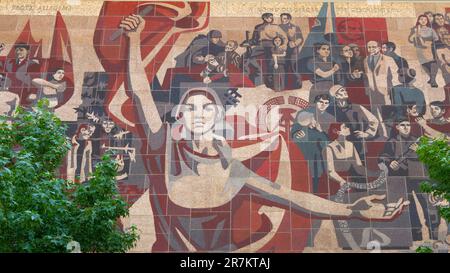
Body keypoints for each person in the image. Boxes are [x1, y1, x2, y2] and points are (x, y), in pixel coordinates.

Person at [120, 14, 407, 252]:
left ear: (217, 117)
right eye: (191, 108)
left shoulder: (233, 170)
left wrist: (352, 210)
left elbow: (294, 198)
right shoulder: (162, 143)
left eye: (207, 107)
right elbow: (139, 90)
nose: (199, 114)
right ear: (179, 115)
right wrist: (133, 41)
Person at [291, 94, 334, 192]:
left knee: (317, 178)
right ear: (315, 102)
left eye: (326, 103)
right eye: (321, 102)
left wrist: (320, 131)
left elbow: (330, 142)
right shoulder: (304, 113)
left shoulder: (330, 118)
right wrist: (297, 134)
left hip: (320, 152)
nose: (323, 105)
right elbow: (294, 131)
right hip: (305, 149)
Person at [363, 40, 399, 115]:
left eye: (373, 47)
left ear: (379, 48)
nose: (371, 49)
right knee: (376, 112)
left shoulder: (388, 59)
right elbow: (366, 77)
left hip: (385, 90)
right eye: (369, 47)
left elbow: (395, 74)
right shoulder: (365, 60)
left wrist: (392, 89)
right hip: (372, 91)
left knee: (387, 111)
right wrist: (367, 90)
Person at [408, 14, 440, 88]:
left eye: (425, 19)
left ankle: (433, 81)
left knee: (433, 63)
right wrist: (416, 32)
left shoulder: (431, 29)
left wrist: (428, 40)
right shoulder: (415, 29)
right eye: (421, 19)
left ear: (427, 21)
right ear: (418, 20)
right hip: (420, 49)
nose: (423, 21)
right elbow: (410, 40)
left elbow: (436, 38)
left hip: (429, 48)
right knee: (424, 64)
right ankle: (432, 78)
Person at [279, 13, 303, 88]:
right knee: (283, 67)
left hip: (293, 50)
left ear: (289, 19)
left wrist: (295, 44)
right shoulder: (278, 27)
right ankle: (284, 85)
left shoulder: (295, 27)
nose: (283, 20)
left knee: (294, 67)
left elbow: (300, 38)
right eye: (282, 18)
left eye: (285, 18)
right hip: (282, 50)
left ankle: (298, 84)